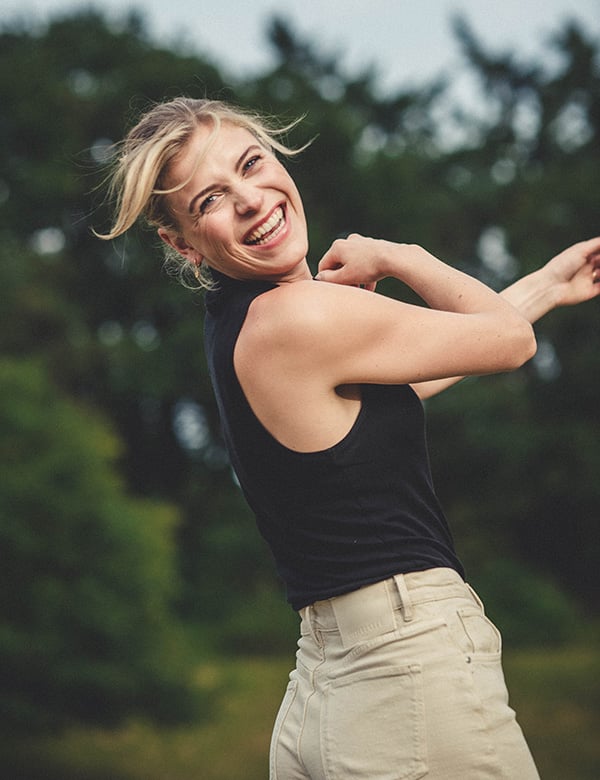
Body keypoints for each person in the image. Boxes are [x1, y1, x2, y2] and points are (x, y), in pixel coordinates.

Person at [97, 97, 600, 779]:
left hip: (329, 690)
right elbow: (509, 344)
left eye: (252, 164)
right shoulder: (298, 315)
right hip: (408, 675)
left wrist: (546, 284)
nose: (250, 199)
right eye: (212, 198)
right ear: (182, 242)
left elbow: (393, 397)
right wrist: (395, 254)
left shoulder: (240, 327)